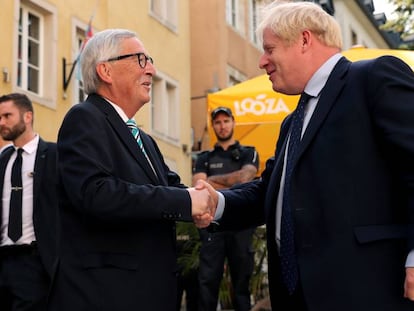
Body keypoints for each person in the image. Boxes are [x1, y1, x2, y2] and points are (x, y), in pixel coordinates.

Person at [201, 1, 414, 310]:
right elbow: (270, 191)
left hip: (366, 289)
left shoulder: (373, 77)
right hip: (297, 295)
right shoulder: (292, 121)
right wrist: (216, 203)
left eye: (270, 49)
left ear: (304, 39)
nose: (262, 62)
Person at [47, 28, 213, 311]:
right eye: (140, 59)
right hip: (106, 295)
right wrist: (187, 201)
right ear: (105, 71)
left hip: (146, 291)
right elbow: (95, 193)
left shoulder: (144, 139)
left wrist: (203, 201)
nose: (152, 69)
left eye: (149, 59)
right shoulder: (84, 117)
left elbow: (171, 188)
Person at [193, 107, 259, 311]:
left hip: (242, 225)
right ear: (213, 126)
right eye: (218, 122)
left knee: (241, 284)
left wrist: (212, 180)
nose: (222, 126)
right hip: (213, 224)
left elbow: (246, 177)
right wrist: (231, 180)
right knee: (207, 282)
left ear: (233, 122)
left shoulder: (249, 152)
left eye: (226, 121)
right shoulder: (204, 157)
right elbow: (199, 186)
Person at [0, 93, 58, 310]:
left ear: (27, 117)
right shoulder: (3, 159)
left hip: (33, 261)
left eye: (7, 116)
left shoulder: (53, 155)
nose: (2, 122)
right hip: (2, 259)